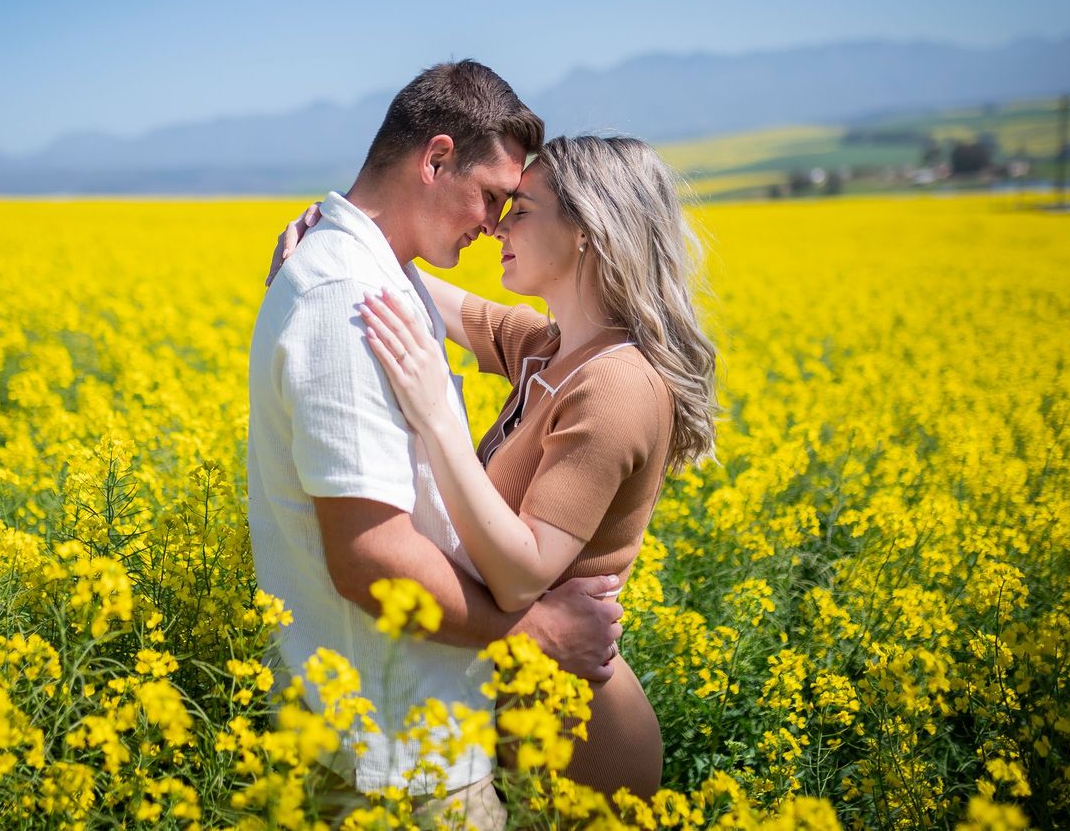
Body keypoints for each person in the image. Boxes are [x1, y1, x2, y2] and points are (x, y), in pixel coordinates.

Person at [276, 134, 718, 800]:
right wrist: (338, 243)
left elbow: (521, 574)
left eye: (522, 211)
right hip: (509, 703)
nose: (496, 227)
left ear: (586, 234)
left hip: (582, 734)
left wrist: (437, 415)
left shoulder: (618, 385)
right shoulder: (548, 348)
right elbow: (413, 291)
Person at [247, 61, 625, 829]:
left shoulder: (378, 276)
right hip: (392, 768)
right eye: (492, 197)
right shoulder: (344, 300)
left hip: (412, 742)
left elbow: (497, 327)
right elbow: (372, 556)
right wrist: (539, 633)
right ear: (435, 159)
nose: (495, 224)